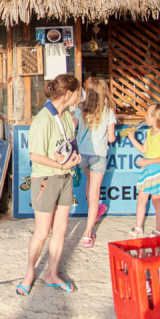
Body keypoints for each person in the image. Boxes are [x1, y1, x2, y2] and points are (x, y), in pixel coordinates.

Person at [16, 74, 82, 296]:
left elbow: (63, 145)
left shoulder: (65, 116)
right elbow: (34, 156)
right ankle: (29, 274)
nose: (79, 98)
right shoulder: (43, 119)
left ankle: (52, 273)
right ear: (69, 94)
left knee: (60, 230)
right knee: (42, 232)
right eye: (78, 93)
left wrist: (70, 159)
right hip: (46, 180)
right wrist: (60, 165)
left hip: (65, 178)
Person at [74, 77, 116, 248]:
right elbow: (112, 138)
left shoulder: (80, 108)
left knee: (89, 182)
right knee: (95, 193)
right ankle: (87, 234)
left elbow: (72, 128)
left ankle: (94, 211)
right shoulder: (109, 111)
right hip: (98, 155)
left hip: (82, 156)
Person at [129, 104, 160, 238]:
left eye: (148, 114)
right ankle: (138, 227)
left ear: (156, 118)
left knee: (156, 201)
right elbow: (144, 150)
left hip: (159, 173)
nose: (146, 117)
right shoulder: (149, 133)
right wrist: (132, 139)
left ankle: (159, 230)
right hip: (148, 172)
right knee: (141, 199)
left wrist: (147, 161)